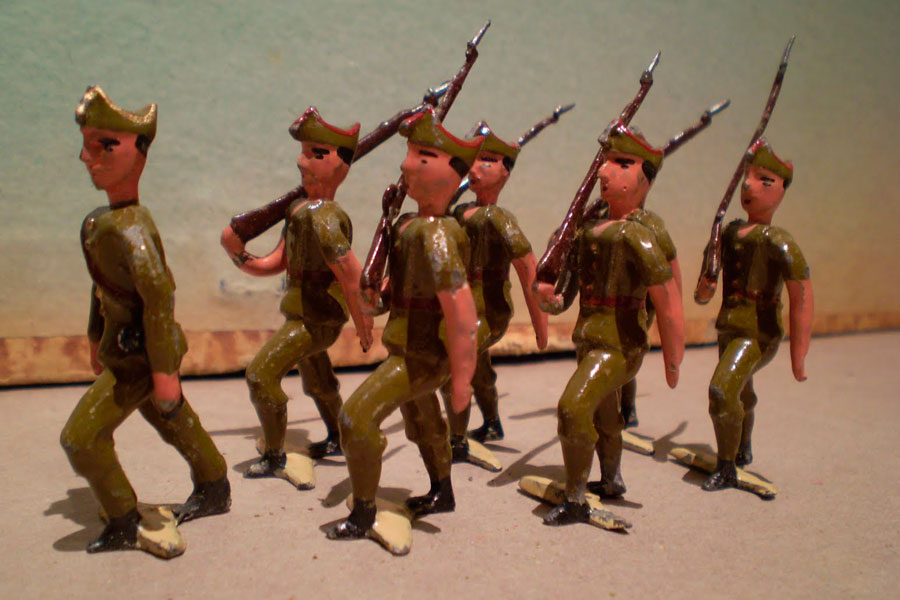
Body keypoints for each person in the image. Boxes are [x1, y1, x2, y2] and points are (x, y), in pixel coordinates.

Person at [61, 86, 230, 555]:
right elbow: (102, 289)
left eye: (104, 146)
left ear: (138, 151)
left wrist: (164, 373)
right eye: (87, 145)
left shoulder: (132, 228)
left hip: (142, 353)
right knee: (171, 420)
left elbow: (158, 295)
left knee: (82, 438)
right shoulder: (101, 224)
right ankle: (214, 482)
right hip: (124, 347)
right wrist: (95, 337)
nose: (88, 157)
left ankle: (122, 516)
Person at [327, 107, 482, 539]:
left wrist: (462, 378)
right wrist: (376, 295)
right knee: (422, 421)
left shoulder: (437, 234)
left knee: (356, 418)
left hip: (423, 355)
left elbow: (461, 310)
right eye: (410, 154)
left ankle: (363, 512)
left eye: (422, 157)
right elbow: (398, 289)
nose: (406, 165)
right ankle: (442, 491)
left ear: (453, 173)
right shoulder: (408, 225)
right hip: (408, 345)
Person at [535, 122, 683, 525]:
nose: (604, 172)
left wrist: (673, 356)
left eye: (621, 164)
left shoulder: (639, 236)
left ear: (645, 179)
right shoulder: (587, 233)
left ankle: (576, 497)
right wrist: (549, 299)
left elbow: (667, 300)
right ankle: (612, 480)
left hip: (620, 344)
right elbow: (567, 295)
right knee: (603, 413)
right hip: (588, 339)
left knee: (572, 408)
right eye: (606, 162)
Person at [220, 107, 373, 478]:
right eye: (304, 152)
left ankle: (275, 455)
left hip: (317, 317)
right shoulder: (299, 210)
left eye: (316, 154)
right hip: (301, 312)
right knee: (318, 381)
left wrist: (363, 322)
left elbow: (349, 271)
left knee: (260, 375)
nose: (303, 161)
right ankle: (339, 437)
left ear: (341, 166)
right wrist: (239, 255)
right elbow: (278, 261)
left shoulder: (325, 217)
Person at [695, 138, 813, 491]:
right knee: (741, 391)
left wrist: (798, 357)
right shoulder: (728, 232)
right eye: (747, 177)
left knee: (722, 389)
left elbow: (801, 297)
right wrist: (707, 279)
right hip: (729, 327)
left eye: (764, 180)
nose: (749, 186)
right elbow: (703, 294)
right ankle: (742, 447)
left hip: (759, 333)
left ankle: (726, 464)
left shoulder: (780, 242)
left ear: (781, 190)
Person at [441, 123, 548, 461]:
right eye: (472, 159)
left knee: (455, 363)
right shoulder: (460, 212)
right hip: (461, 306)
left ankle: (457, 440)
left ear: (505, 173)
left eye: (486, 160)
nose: (474, 168)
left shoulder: (498, 219)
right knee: (478, 367)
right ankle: (491, 424)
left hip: (489, 310)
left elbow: (527, 264)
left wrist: (541, 323)